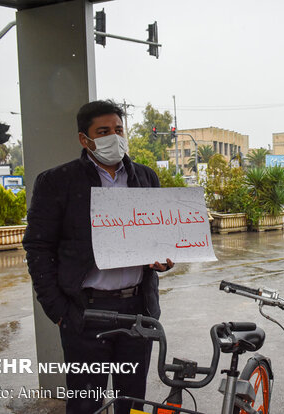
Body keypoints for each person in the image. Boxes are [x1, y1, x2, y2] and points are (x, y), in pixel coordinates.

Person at [23, 100, 174, 414]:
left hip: (138, 312)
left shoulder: (145, 178)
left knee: (133, 403)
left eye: (118, 130)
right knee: (85, 403)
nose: (114, 138)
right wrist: (60, 310)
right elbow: (38, 248)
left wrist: (165, 257)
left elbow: (158, 239)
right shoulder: (56, 182)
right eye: (103, 132)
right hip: (85, 313)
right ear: (85, 139)